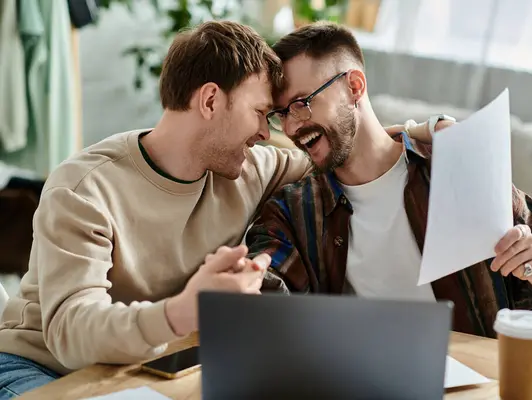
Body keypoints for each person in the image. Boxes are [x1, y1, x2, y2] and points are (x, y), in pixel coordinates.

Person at [0, 20, 434, 396]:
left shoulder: (251, 169)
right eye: (263, 112)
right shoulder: (85, 188)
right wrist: (180, 313)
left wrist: (426, 133)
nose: (267, 133)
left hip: (142, 371)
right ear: (210, 101)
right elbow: (69, 334)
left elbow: (344, 148)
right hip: (38, 367)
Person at [245, 22, 532, 338]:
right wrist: (243, 285)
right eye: (281, 114)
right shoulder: (295, 210)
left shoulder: (453, 165)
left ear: (354, 86)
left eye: (302, 103)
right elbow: (267, 293)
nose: (291, 127)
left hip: (476, 383)